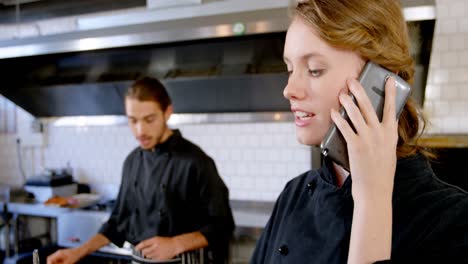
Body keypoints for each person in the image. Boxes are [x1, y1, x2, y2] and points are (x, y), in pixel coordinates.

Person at [251, 0, 468, 263]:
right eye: (290, 69)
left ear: (381, 79)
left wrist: (372, 198)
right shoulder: (293, 196)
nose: (289, 89)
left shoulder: (453, 220)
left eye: (314, 70)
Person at [47, 77, 235, 264]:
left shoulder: (195, 162)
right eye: (133, 120)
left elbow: (223, 225)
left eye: (149, 120)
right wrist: (77, 252)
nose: (140, 131)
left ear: (167, 112)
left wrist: (175, 244)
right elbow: (117, 224)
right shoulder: (132, 162)